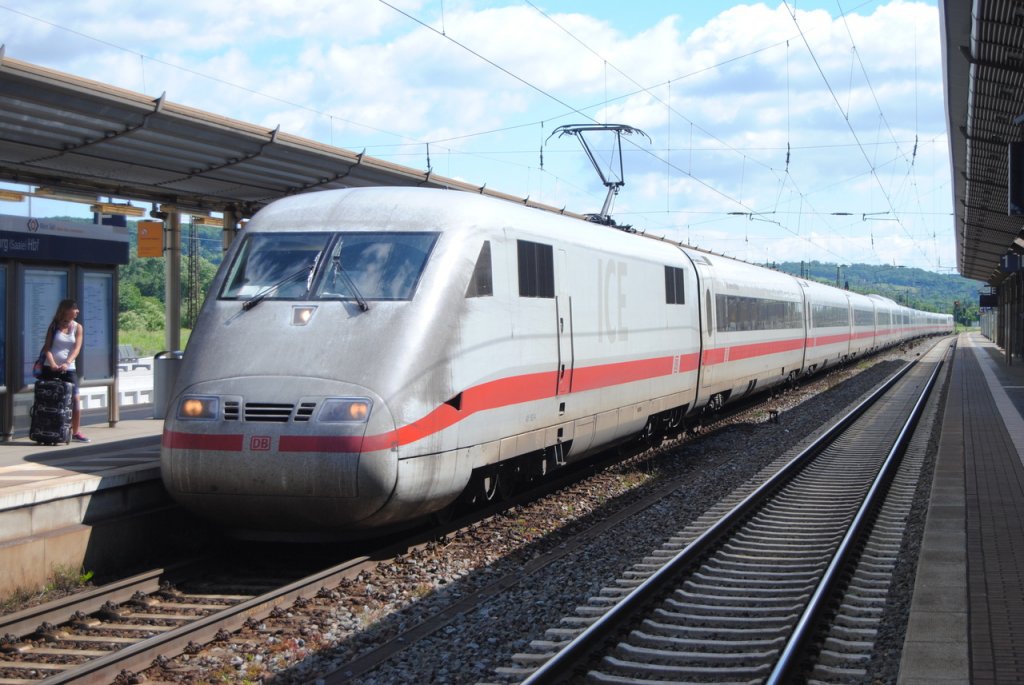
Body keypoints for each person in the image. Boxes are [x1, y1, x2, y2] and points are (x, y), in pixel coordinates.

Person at [40, 299, 89, 443]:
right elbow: (47, 348)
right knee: (50, 399)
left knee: (75, 399)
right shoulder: (54, 326)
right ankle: (48, 428)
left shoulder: (77, 327)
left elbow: (76, 348)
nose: (77, 311)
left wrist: (67, 363)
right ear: (66, 310)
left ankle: (76, 431)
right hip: (52, 368)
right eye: (74, 309)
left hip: (69, 369)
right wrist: (53, 363)